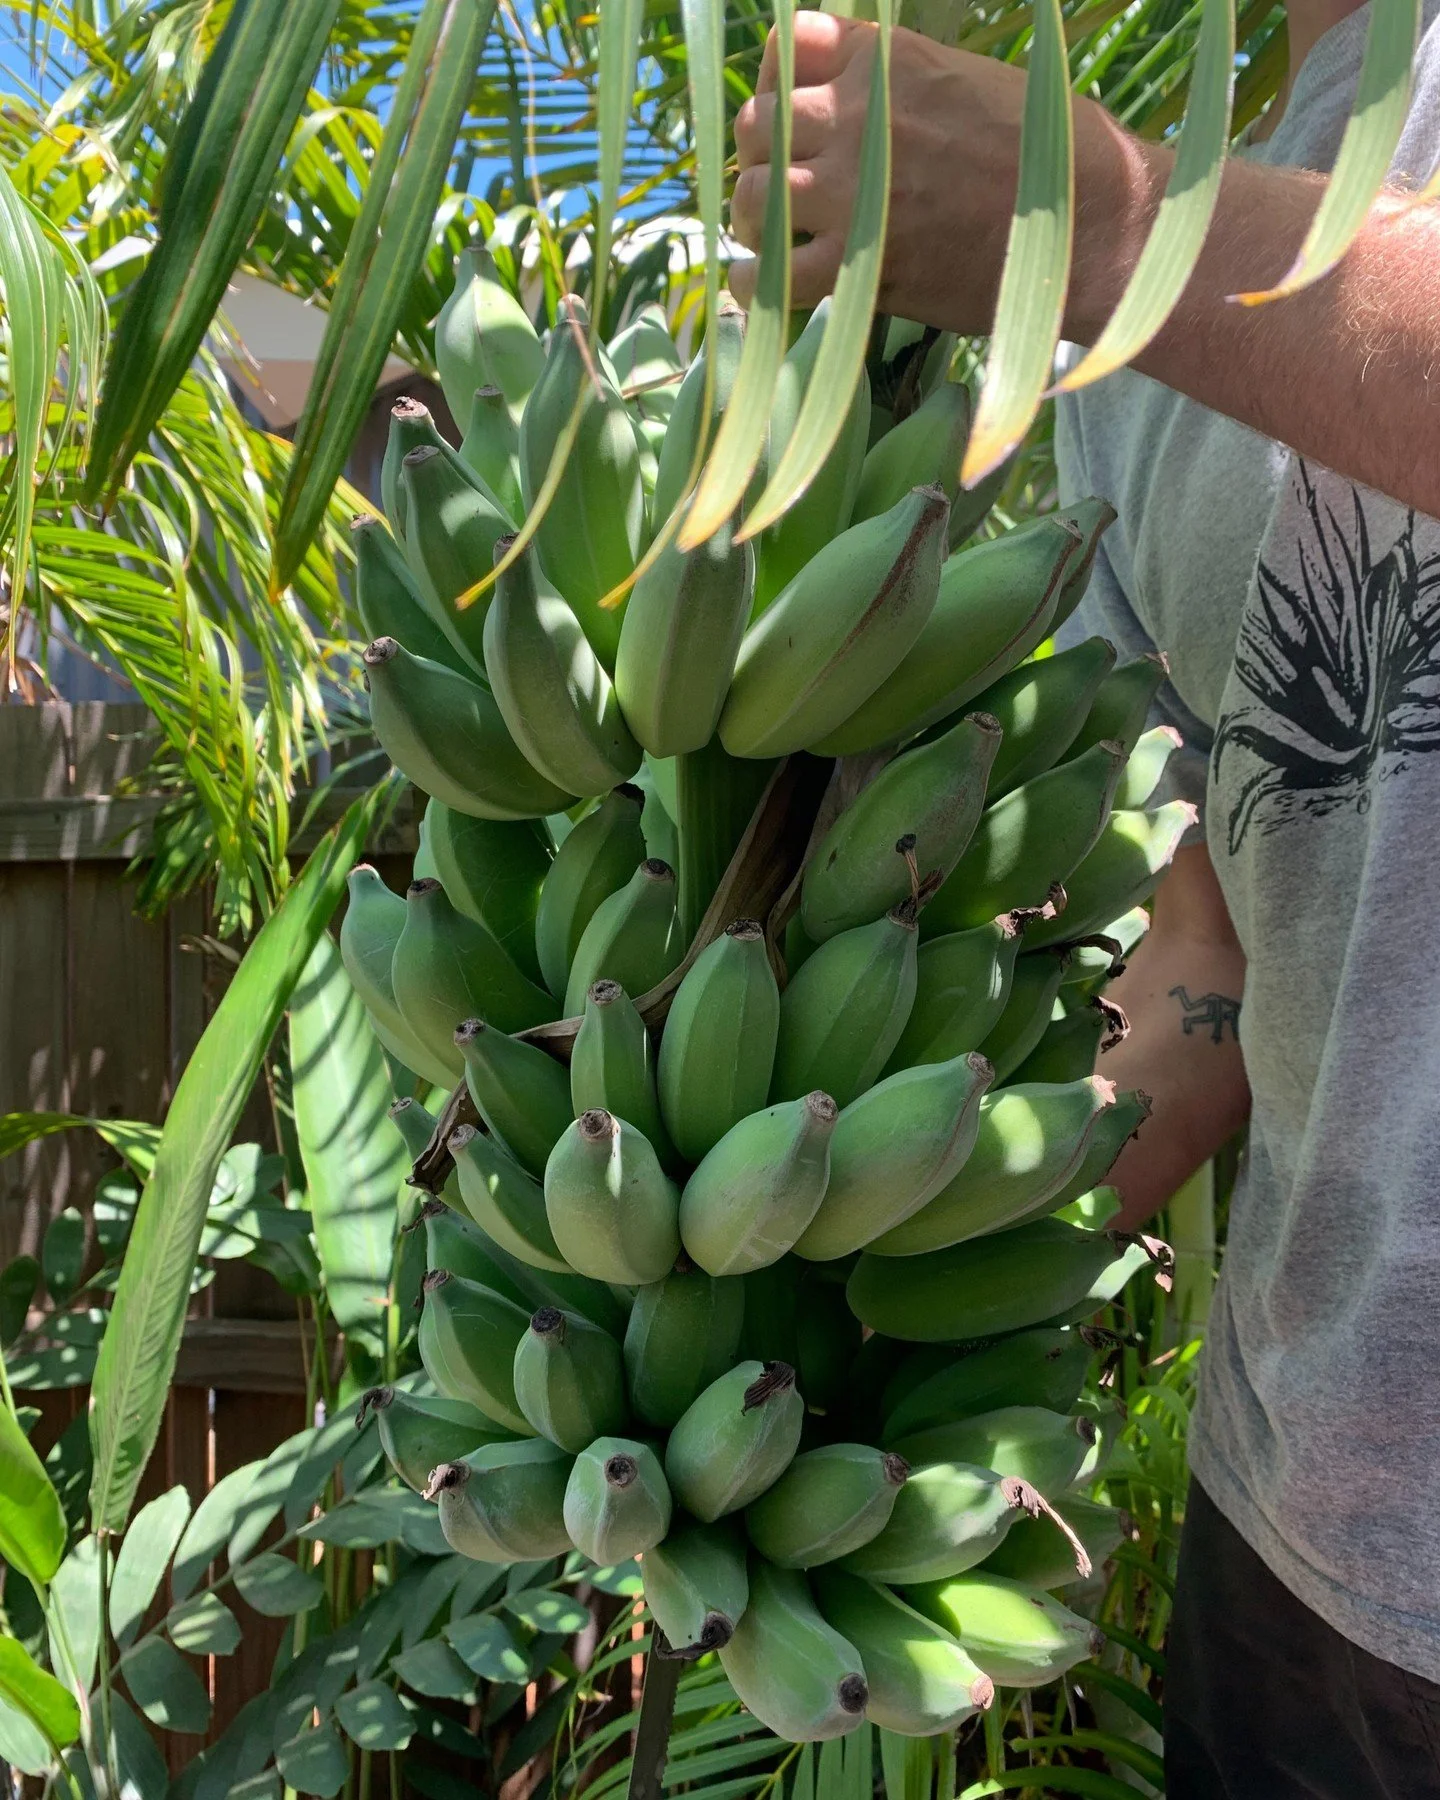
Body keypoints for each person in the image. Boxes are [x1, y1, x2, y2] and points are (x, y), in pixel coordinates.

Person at [731, 8, 1440, 1797]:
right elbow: (1215, 944)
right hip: (1294, 1557)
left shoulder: (1115, 249)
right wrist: (850, 1271)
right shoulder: (1120, 369)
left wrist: (1102, 216)